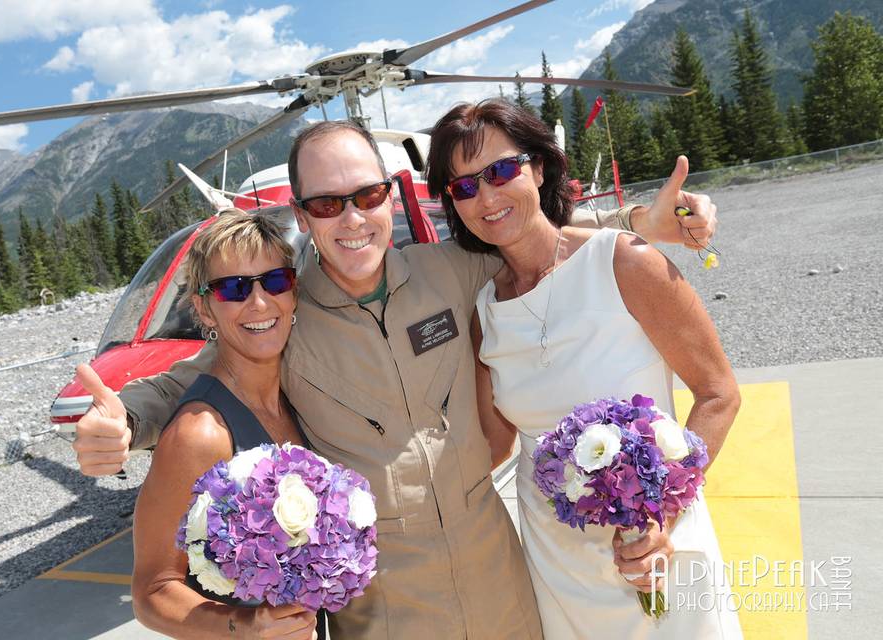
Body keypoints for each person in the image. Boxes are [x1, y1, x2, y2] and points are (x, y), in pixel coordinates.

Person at [73, 119, 720, 639]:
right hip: (385, 609)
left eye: (368, 195)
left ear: (389, 193)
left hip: (504, 584)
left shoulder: (448, 270)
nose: (353, 219)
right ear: (302, 217)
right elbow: (201, 371)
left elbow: (533, 241)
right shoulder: (287, 314)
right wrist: (124, 420)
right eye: (328, 204)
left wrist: (639, 223)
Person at [425, 99, 742, 637]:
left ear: (540, 167)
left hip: (657, 551)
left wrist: (660, 516)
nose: (487, 196)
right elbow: (494, 444)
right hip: (557, 569)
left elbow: (718, 394)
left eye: (501, 171)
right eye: (464, 187)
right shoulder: (484, 312)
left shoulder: (625, 261)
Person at [95, 213, 320, 639]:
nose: (259, 303)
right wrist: (247, 626)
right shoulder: (199, 434)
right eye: (233, 289)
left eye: (274, 281)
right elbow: (153, 591)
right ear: (204, 309)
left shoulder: (295, 394)